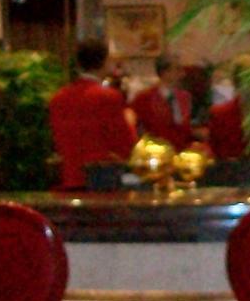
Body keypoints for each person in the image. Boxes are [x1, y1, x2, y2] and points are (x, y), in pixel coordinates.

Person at [48, 37, 136, 189]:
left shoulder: (58, 97)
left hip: (69, 176)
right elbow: (124, 143)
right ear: (104, 62)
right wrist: (131, 122)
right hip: (102, 178)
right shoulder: (108, 97)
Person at [131, 51, 194, 150]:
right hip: (156, 151)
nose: (183, 74)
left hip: (182, 150)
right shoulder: (144, 98)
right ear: (165, 73)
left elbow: (186, 128)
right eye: (177, 69)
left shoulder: (185, 97)